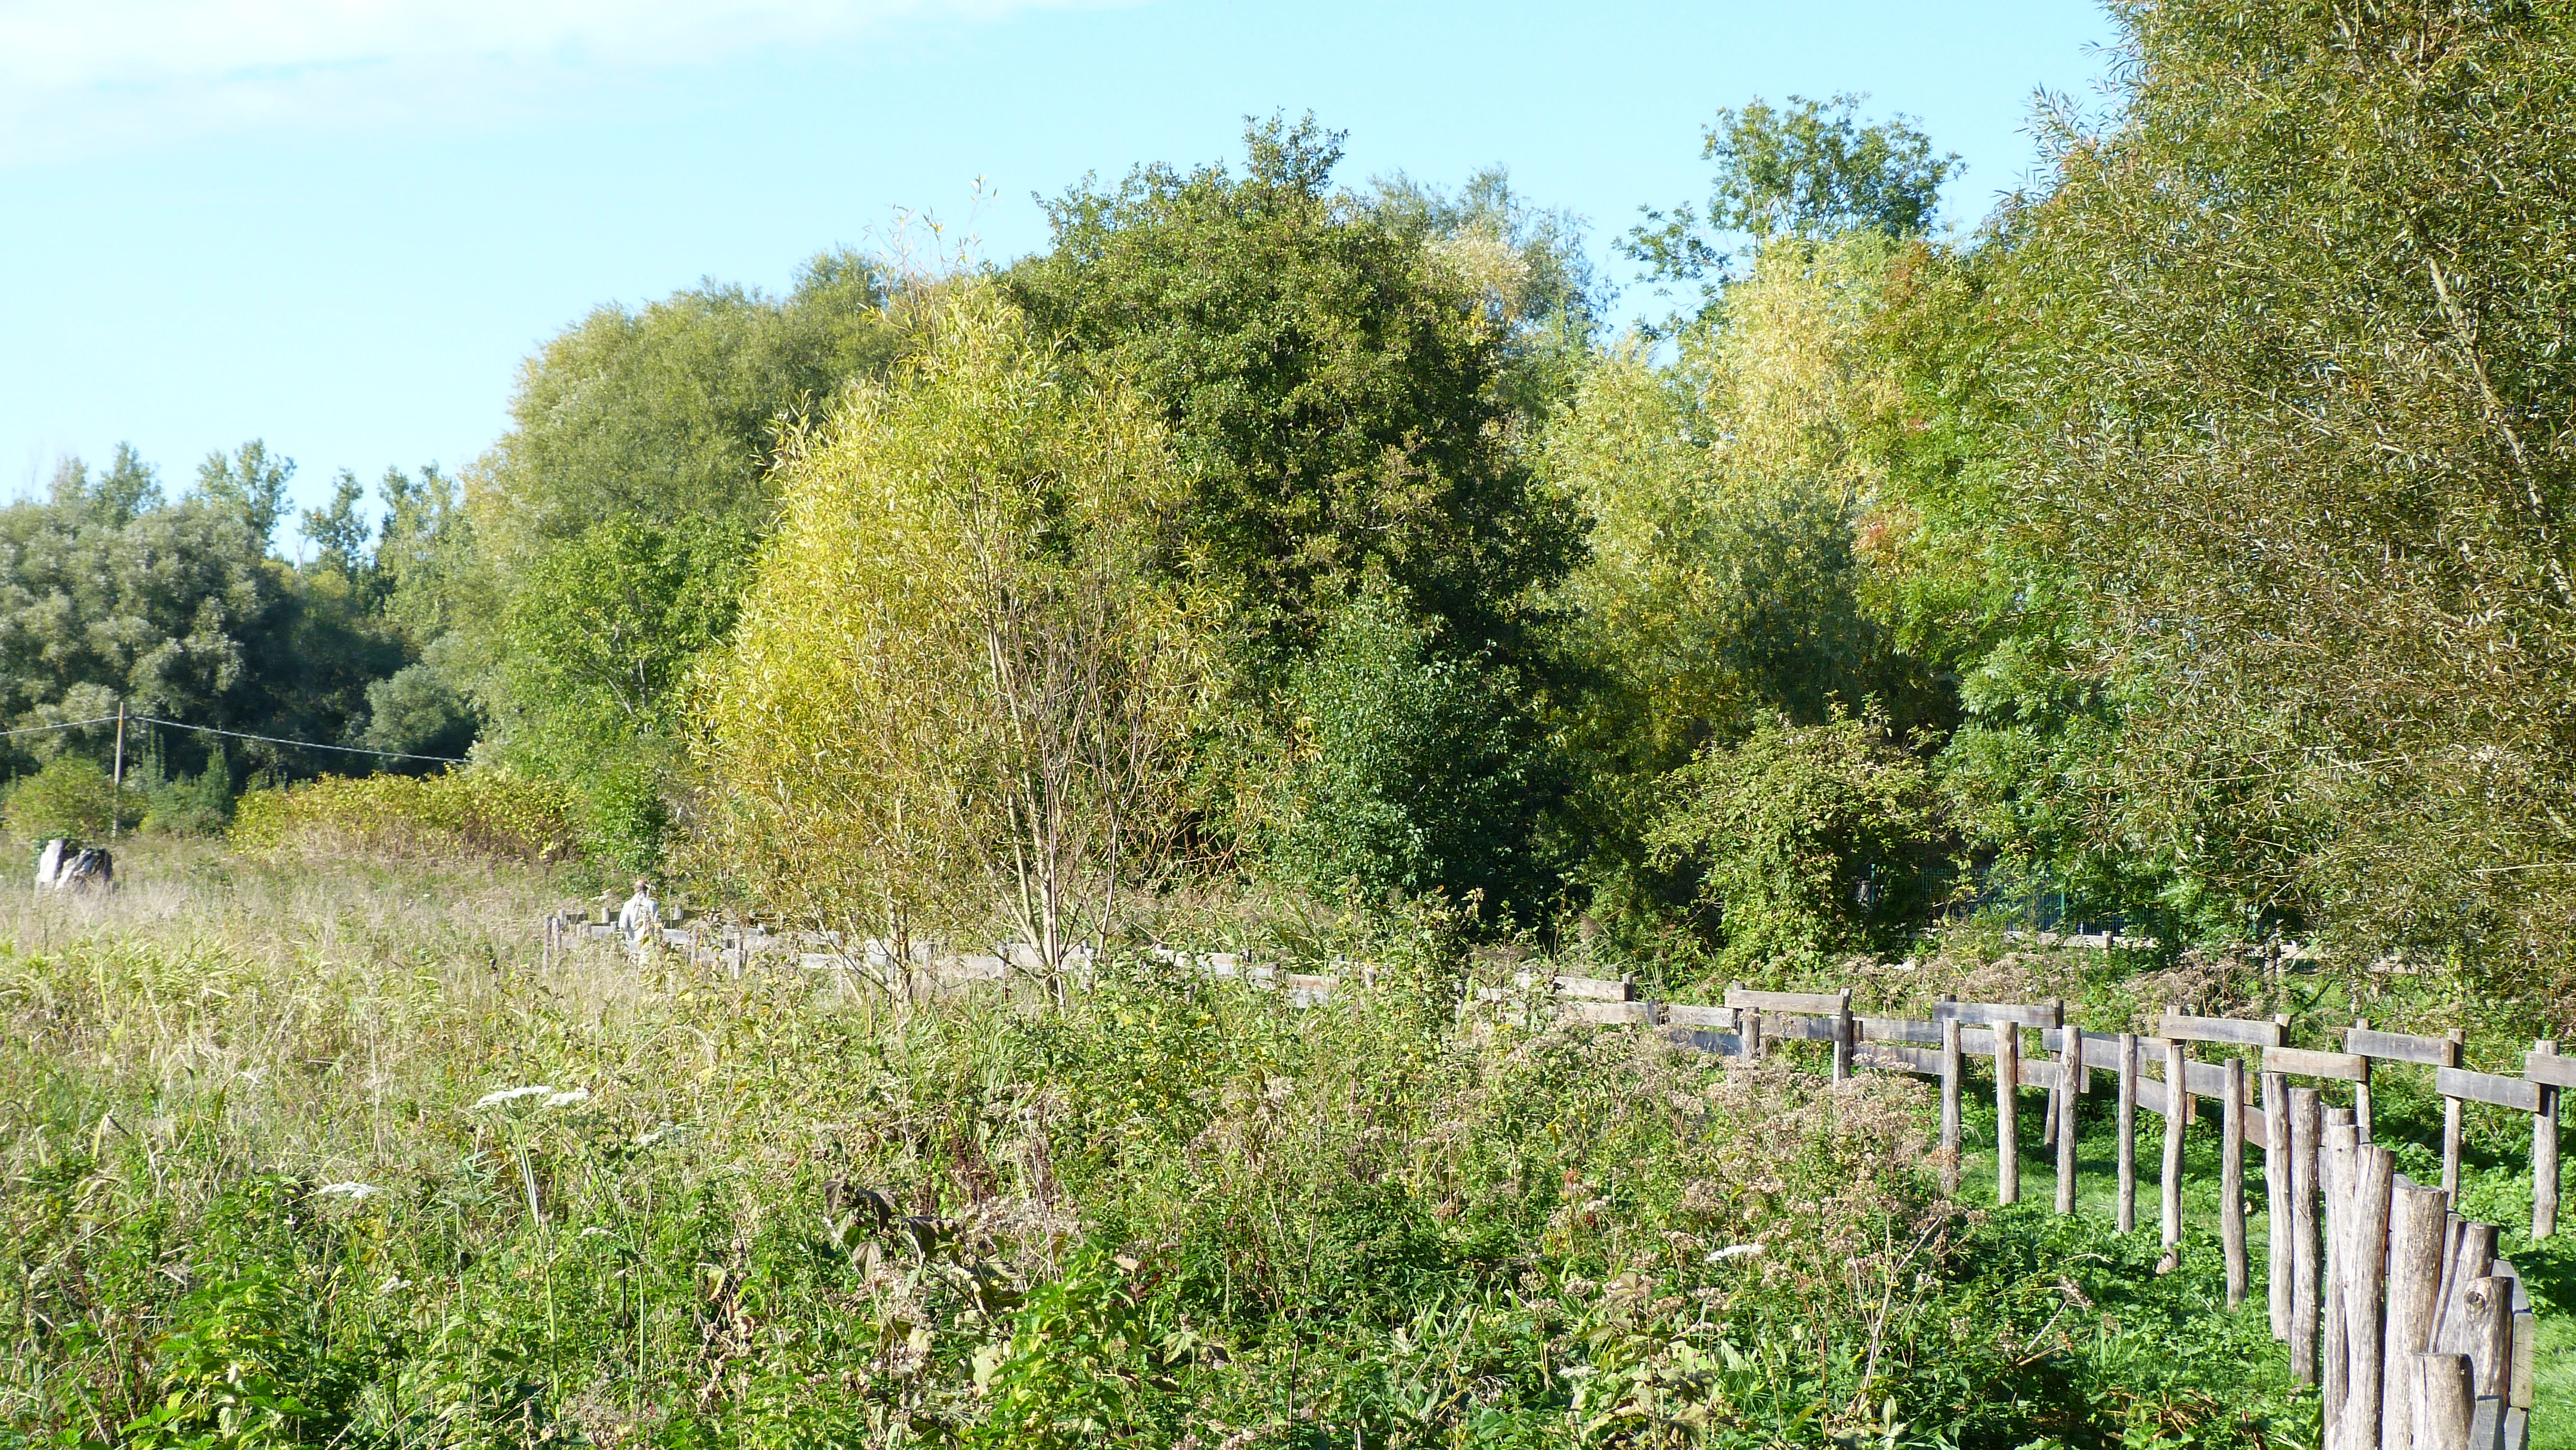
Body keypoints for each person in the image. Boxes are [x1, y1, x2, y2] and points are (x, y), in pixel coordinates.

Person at [616, 878, 659, 956]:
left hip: (632, 940)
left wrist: (623, 939)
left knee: (633, 961)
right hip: (647, 941)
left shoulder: (628, 904)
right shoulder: (652, 904)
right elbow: (657, 923)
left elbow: (622, 924)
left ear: (636, 889)